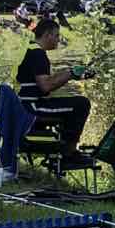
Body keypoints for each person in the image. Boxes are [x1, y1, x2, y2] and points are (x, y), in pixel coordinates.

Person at [15, 15, 92, 168]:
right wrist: (70, 73)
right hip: (32, 107)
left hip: (23, 103)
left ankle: (63, 146)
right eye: (56, 35)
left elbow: (45, 80)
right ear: (47, 35)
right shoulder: (38, 54)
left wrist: (71, 73)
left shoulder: (31, 49)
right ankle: (68, 153)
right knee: (81, 104)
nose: (58, 39)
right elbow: (46, 86)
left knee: (72, 101)